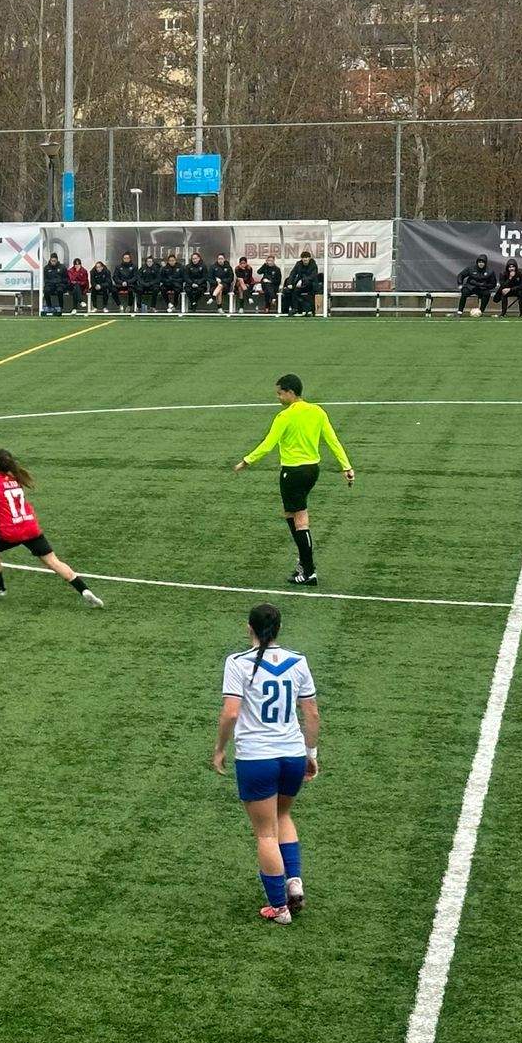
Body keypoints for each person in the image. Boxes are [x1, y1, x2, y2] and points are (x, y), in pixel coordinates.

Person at [211, 604, 319, 925]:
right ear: (279, 629)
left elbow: (231, 713)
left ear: (250, 628)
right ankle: (293, 882)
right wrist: (310, 754)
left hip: (257, 758)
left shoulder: (237, 663)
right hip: (291, 755)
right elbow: (311, 713)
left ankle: (279, 908)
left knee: (264, 834)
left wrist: (219, 748)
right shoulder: (298, 661)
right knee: (283, 815)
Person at [233, 373, 354, 586]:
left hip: (292, 473)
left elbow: (268, 444)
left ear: (290, 392)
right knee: (291, 513)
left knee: (300, 519)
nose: (278, 397)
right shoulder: (317, 411)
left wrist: (246, 461)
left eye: (280, 393)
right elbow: (332, 440)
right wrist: (346, 466)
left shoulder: (285, 417)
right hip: (312, 471)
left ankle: (308, 569)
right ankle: (304, 561)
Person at [0, 449, 102, 607]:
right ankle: (85, 591)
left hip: (11, 532)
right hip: (30, 527)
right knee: (53, 562)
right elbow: (12, 503)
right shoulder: (16, 479)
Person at [283, 251, 321, 317]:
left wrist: (302, 281)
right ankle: (295, 309)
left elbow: (313, 276)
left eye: (306, 257)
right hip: (300, 285)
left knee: (309, 293)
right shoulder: (298, 264)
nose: (305, 259)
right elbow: (292, 274)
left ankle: (310, 310)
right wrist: (289, 283)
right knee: (291, 291)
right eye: (303, 258)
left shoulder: (313, 265)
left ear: (309, 258)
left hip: (311, 285)